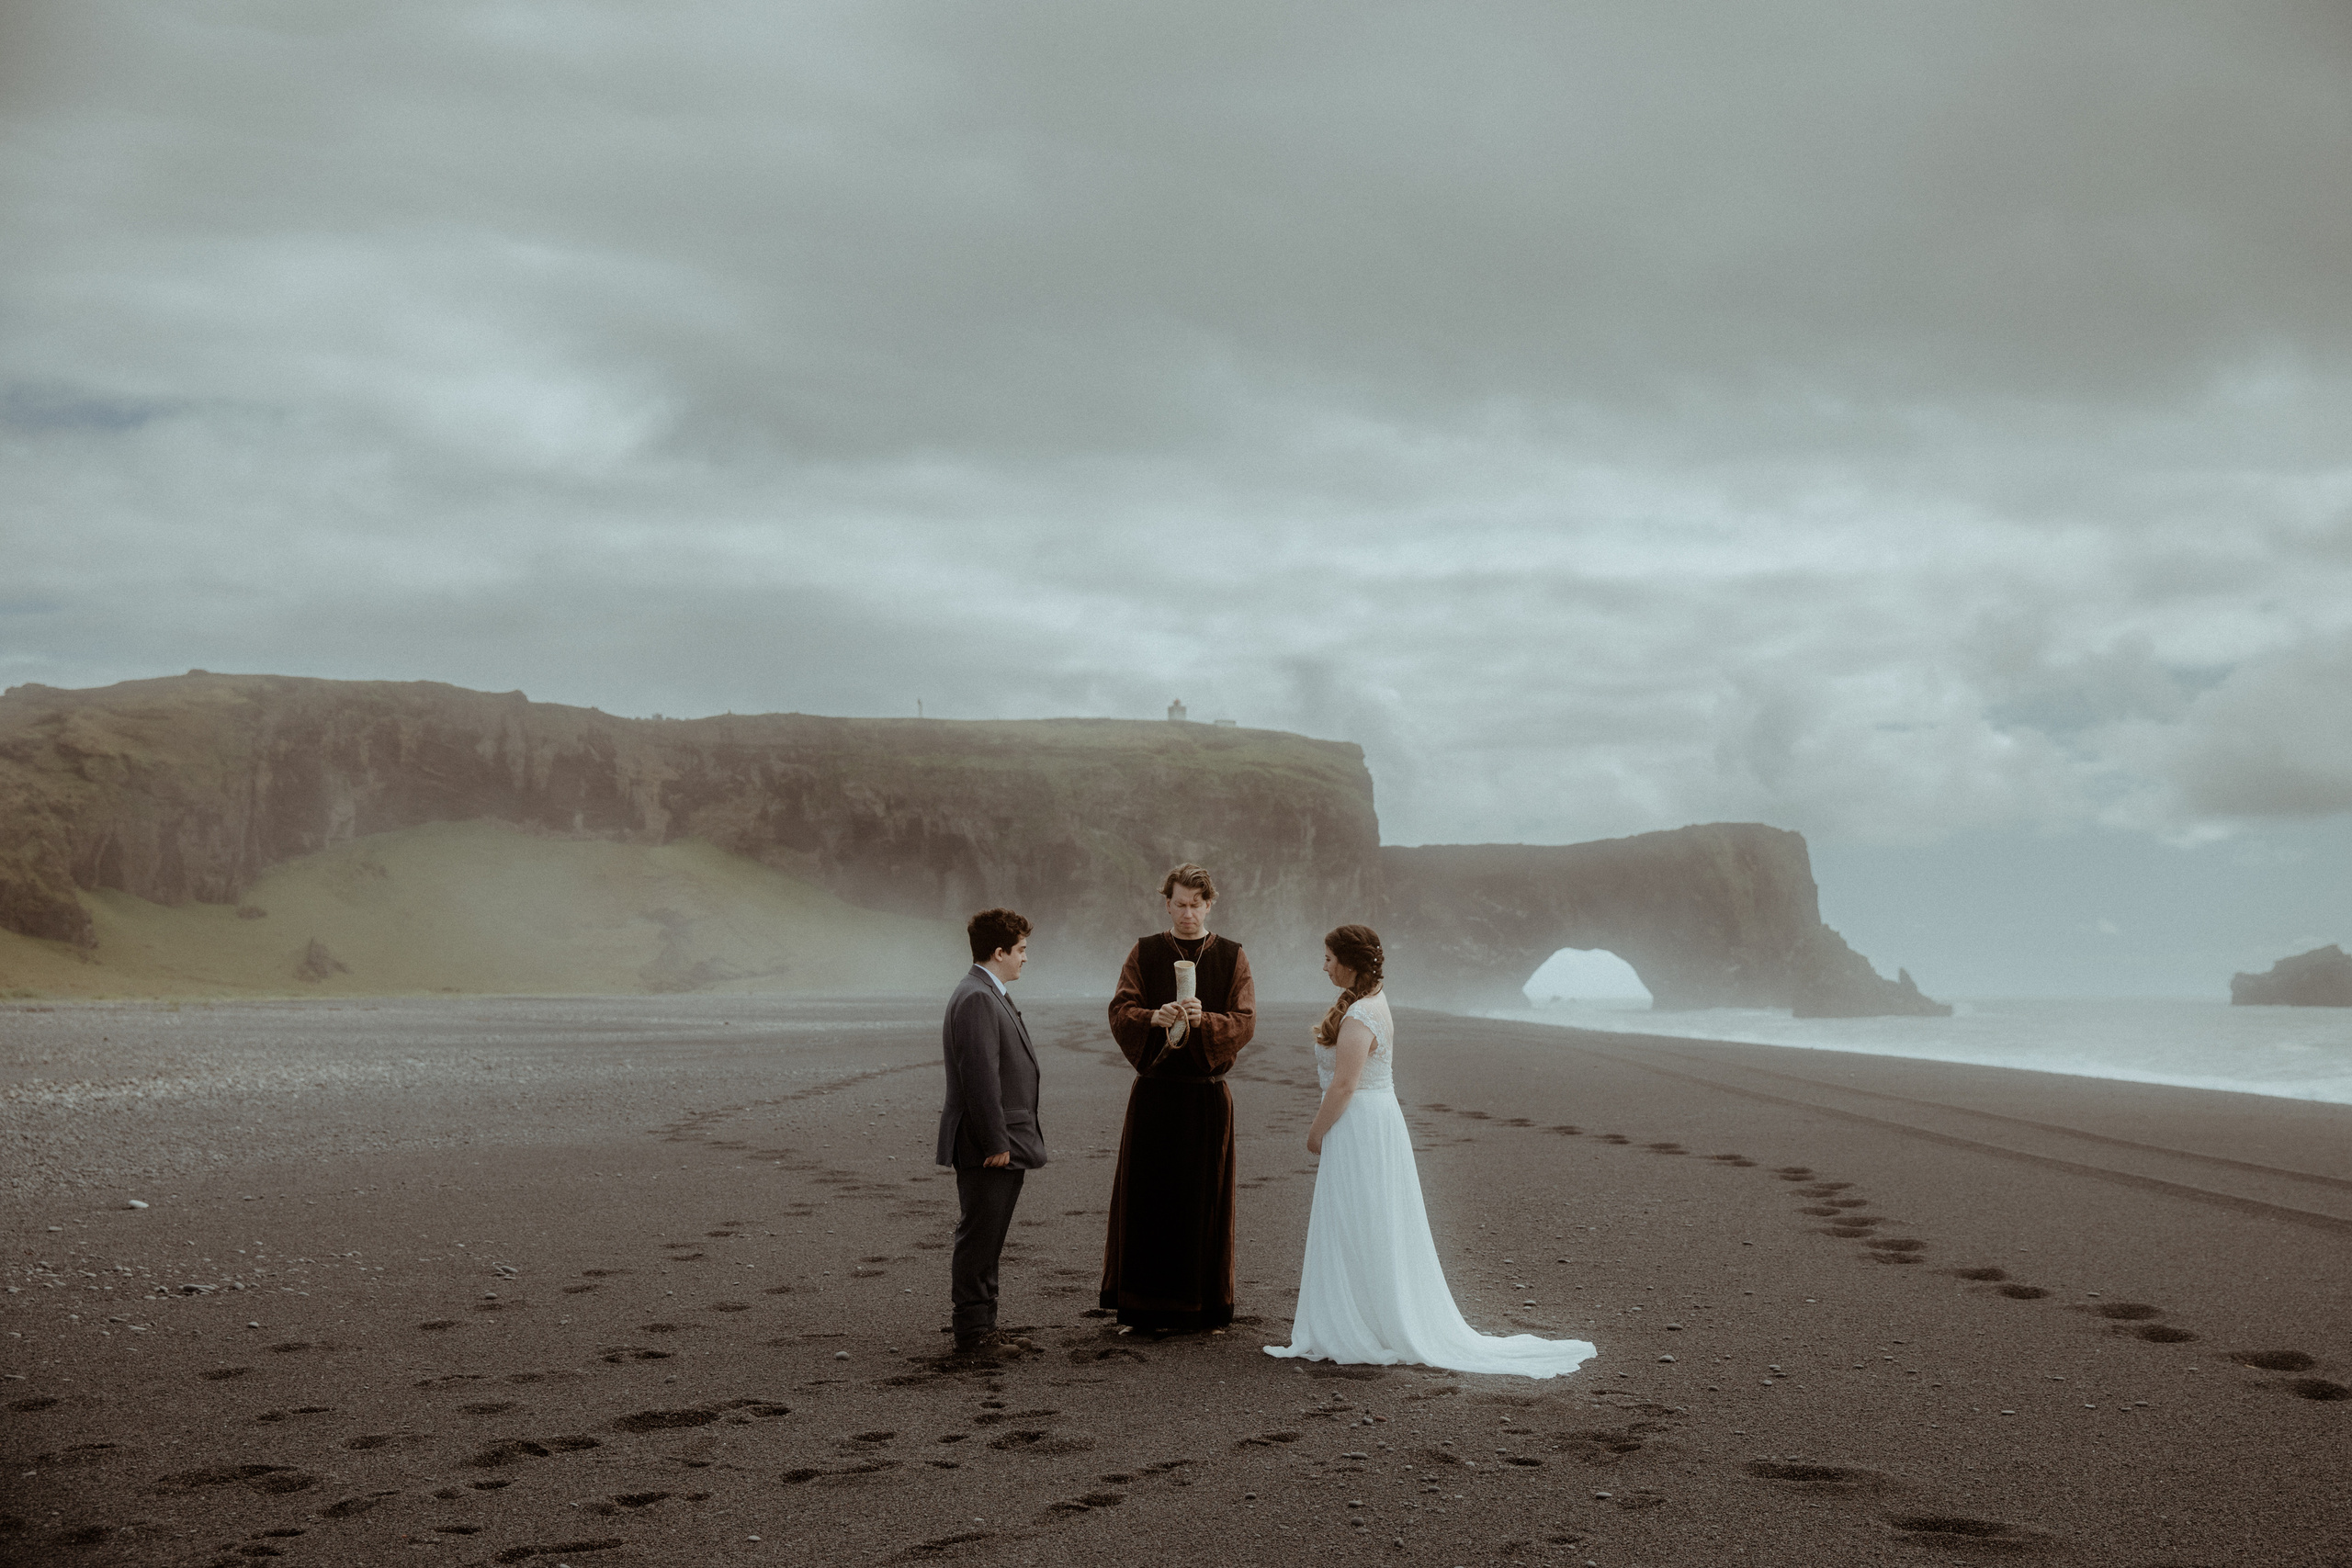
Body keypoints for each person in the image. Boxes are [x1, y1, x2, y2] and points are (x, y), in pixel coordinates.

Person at [1264, 923, 1598, 1378]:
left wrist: (1315, 1133)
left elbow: (1345, 1084)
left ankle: (1362, 1324)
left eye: (1327, 958)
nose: (1322, 966)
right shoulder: (1370, 1003)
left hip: (1358, 1124)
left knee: (1357, 1218)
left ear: (1349, 961)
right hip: (1373, 1122)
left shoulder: (1361, 1014)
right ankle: (1366, 1317)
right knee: (1368, 1219)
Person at [1099, 863, 1258, 1332]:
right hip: (1155, 1096)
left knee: (1202, 1201)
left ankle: (1201, 1308)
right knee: (1146, 1199)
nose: (1188, 913)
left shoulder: (1232, 956)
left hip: (1205, 1097)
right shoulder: (1145, 951)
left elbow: (1245, 1021)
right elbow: (1120, 1009)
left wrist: (1204, 1021)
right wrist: (1154, 1016)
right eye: (1179, 904)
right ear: (1166, 902)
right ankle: (1142, 1307)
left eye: (1196, 905)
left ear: (1209, 904)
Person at [936, 907, 1045, 1358]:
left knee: (989, 1234)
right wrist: (997, 1142)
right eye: (1020, 950)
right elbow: (979, 1073)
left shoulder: (983, 991)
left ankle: (984, 1325)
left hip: (998, 1137)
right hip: (989, 1143)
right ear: (999, 952)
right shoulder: (979, 996)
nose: (1025, 959)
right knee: (980, 1235)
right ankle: (974, 1334)